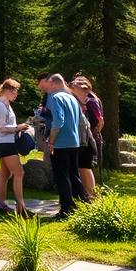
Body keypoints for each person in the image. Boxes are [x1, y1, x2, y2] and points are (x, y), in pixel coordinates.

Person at [46, 74, 85, 219]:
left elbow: (58, 122)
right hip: (74, 142)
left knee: (62, 176)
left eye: (50, 85)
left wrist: (51, 141)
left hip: (61, 144)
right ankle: (82, 204)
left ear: (56, 84)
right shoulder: (73, 98)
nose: (49, 88)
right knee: (74, 175)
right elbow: (81, 121)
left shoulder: (56, 98)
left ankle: (66, 209)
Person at [0, 78, 29, 217]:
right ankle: (21, 208)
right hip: (5, 144)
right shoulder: (0, 105)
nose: (16, 94)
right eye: (15, 91)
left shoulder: (3, 103)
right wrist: (19, 127)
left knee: (5, 174)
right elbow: (0, 127)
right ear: (8, 91)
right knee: (19, 173)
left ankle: (2, 206)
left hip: (2, 143)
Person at [71, 77, 103, 199]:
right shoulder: (80, 100)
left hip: (88, 139)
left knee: (85, 168)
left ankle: (91, 196)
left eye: (85, 89)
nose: (84, 92)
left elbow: (100, 121)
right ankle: (87, 195)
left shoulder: (91, 101)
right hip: (82, 138)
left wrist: (93, 135)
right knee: (83, 167)